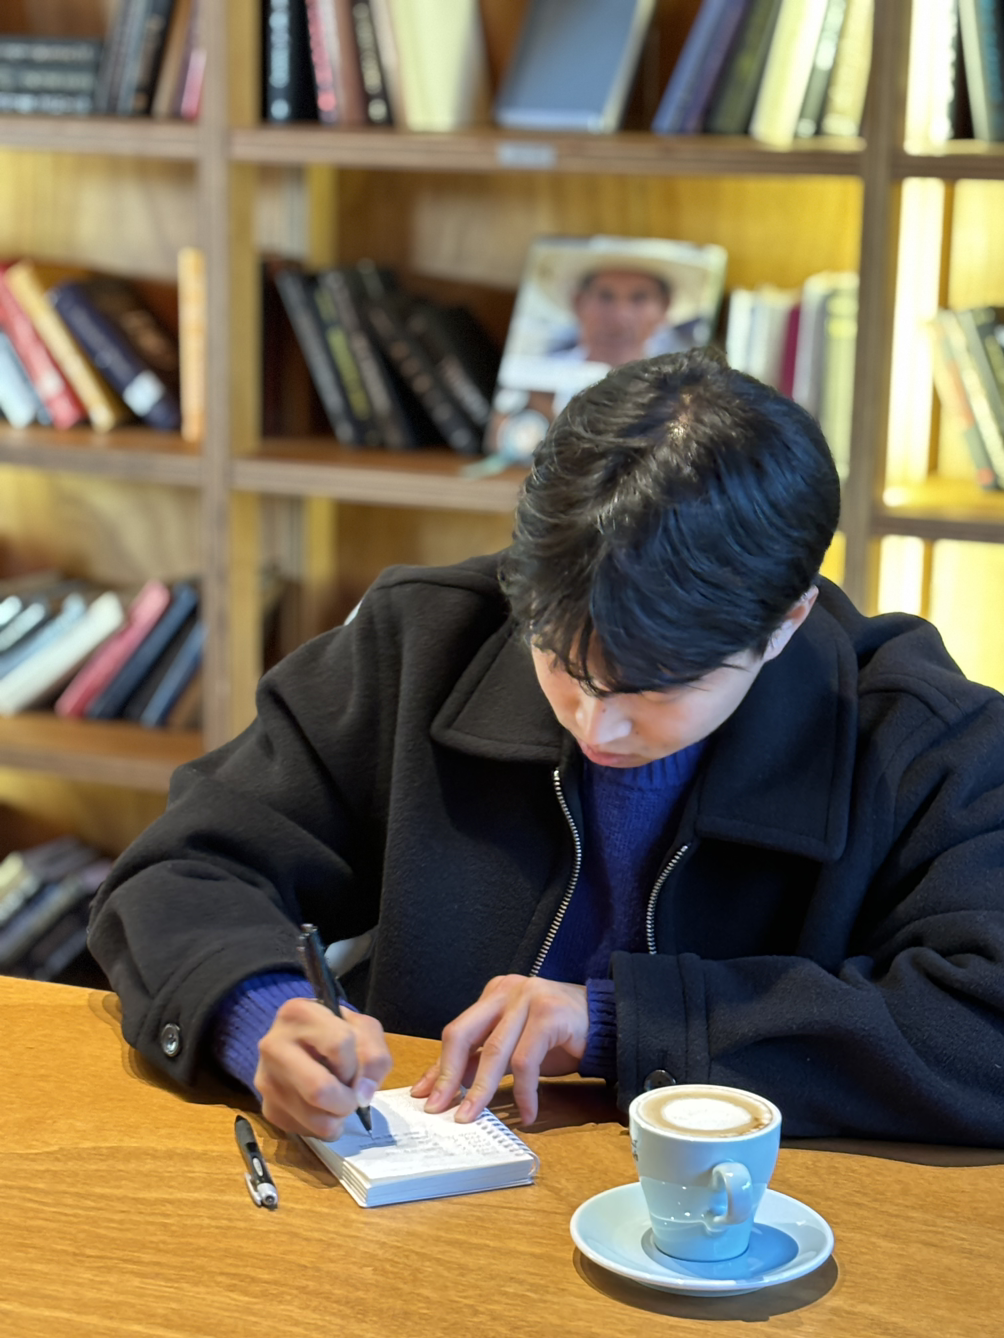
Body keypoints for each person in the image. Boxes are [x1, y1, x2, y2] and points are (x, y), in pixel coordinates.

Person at [89, 347, 1004, 1148]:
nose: (595, 724)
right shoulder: (424, 642)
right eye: (563, 664)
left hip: (755, 1235)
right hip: (422, 1199)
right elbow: (181, 872)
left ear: (784, 622)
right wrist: (258, 1014)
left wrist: (618, 1026)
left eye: (654, 689)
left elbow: (984, 1026)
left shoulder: (916, 734)